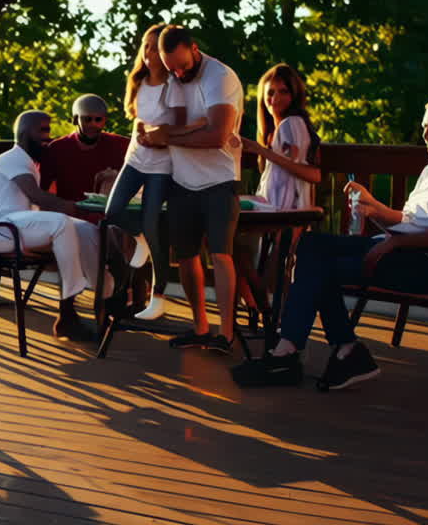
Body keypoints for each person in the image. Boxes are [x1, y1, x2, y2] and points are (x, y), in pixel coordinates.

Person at [232, 95, 428, 390]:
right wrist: (372, 206)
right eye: (425, 126)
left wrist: (396, 243)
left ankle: (296, 352)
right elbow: (407, 218)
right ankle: (324, 350)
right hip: (403, 251)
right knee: (311, 245)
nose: (426, 134)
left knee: (319, 269)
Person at [144, 26, 244, 354]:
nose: (178, 72)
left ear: (195, 48)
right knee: (185, 256)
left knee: (220, 254)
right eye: (171, 67)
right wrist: (172, 133)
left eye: (183, 65)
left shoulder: (220, 77)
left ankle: (226, 334)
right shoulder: (174, 79)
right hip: (181, 180)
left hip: (220, 180)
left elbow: (217, 137)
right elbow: (172, 125)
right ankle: (200, 326)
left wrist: (169, 137)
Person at [0, 110, 121, 340]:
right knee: (63, 223)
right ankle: (70, 308)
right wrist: (79, 207)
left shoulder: (30, 163)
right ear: (24, 133)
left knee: (85, 229)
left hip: (18, 228)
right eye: (42, 130)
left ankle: (103, 296)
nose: (49, 135)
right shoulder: (11, 158)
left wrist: (81, 211)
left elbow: (40, 205)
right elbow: (37, 196)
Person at [105, 23, 203, 321]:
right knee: (112, 211)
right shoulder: (138, 82)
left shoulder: (172, 87)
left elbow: (178, 129)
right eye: (145, 47)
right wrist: (140, 131)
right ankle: (142, 241)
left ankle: (157, 296)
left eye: (154, 48)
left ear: (164, 53)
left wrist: (160, 138)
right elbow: (138, 121)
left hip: (161, 167)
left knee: (152, 223)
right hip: (135, 160)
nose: (148, 54)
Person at [234, 63, 322, 313]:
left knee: (221, 229)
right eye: (270, 92)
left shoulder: (291, 124)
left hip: (284, 209)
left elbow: (308, 172)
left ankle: (257, 303)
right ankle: (256, 302)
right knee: (225, 230)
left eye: (283, 92)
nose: (275, 98)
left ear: (294, 95)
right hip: (275, 204)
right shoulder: (281, 127)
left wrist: (261, 151)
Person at [39, 94, 129, 206]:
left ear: (105, 120)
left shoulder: (121, 145)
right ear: (75, 119)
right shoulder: (57, 149)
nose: (93, 124)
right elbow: (41, 191)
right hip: (71, 215)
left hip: (109, 214)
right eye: (87, 119)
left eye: (98, 119)